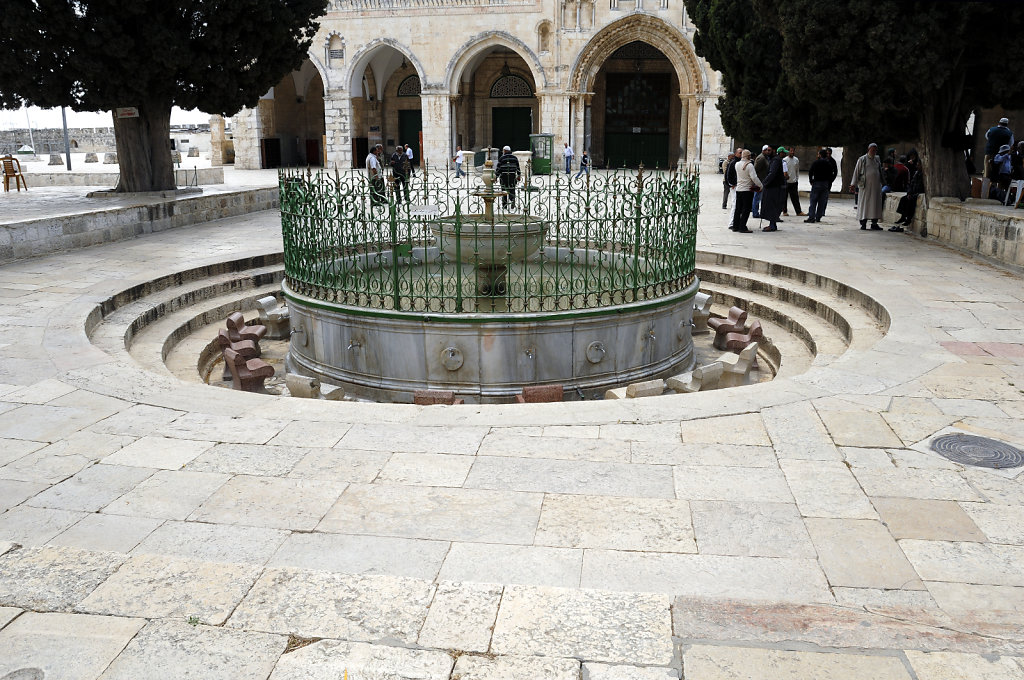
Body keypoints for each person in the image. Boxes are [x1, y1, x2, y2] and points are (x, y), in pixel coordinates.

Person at [851, 142, 884, 230]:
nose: (873, 151)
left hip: (876, 187)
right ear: (868, 149)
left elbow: (880, 171)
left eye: (875, 150)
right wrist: (853, 184)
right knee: (864, 204)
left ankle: (874, 223)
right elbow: (856, 171)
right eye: (872, 150)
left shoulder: (877, 159)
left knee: (875, 204)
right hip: (865, 186)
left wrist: (883, 181)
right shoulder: (862, 159)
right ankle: (863, 223)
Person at [732, 149, 761, 233]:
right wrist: (760, 185)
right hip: (747, 190)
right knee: (746, 209)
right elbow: (754, 177)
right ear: (748, 156)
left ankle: (735, 226)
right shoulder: (749, 165)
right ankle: (742, 227)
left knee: (738, 208)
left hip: (739, 189)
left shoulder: (737, 164)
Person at [759, 146, 787, 232]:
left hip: (773, 187)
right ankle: (772, 224)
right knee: (772, 205)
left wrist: (764, 183)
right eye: (767, 150)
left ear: (774, 151)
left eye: (769, 150)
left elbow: (772, 173)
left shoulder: (775, 160)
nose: (767, 152)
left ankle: (772, 225)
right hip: (773, 186)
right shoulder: (775, 160)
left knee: (772, 206)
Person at [805, 148, 831, 223]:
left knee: (813, 201)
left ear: (819, 155)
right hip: (825, 184)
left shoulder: (816, 162)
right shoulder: (828, 163)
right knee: (822, 201)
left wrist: (811, 180)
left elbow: (810, 172)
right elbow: (831, 174)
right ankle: (818, 216)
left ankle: (811, 217)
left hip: (817, 183)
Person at [783, 147, 804, 216]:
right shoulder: (784, 160)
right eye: (791, 151)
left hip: (794, 182)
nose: (792, 152)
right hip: (786, 182)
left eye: (793, 151)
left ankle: (798, 211)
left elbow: (797, 170)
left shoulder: (796, 159)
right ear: (788, 151)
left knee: (795, 198)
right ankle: (784, 211)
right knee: (784, 197)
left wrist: (797, 178)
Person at [752, 144, 771, 218]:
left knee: (759, 197)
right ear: (764, 150)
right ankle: (755, 213)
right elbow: (755, 170)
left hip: (762, 180)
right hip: (759, 181)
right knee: (756, 197)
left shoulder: (765, 157)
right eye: (767, 150)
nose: (768, 152)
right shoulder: (761, 158)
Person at [725, 147, 740, 229]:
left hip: (740, 186)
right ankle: (731, 223)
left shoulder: (741, 162)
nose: (741, 154)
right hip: (734, 186)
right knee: (734, 204)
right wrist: (731, 184)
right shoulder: (732, 163)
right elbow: (728, 175)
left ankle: (737, 221)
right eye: (740, 152)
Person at [821, 147, 838, 217]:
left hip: (828, 181)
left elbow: (835, 171)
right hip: (821, 180)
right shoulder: (821, 160)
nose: (828, 155)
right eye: (827, 153)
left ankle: (823, 211)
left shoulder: (832, 161)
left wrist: (832, 179)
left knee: (825, 196)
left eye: (829, 153)